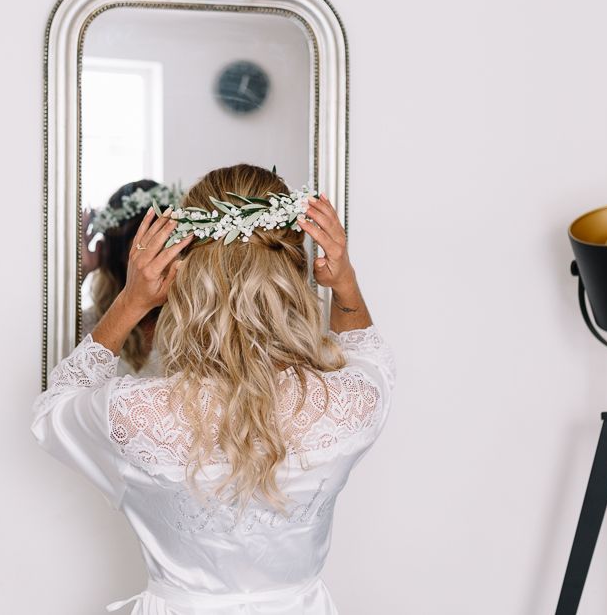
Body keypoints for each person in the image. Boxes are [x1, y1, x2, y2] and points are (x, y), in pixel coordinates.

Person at [30, 163, 396, 614]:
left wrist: (131, 300)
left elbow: (53, 413)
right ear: (293, 270)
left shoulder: (136, 413)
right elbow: (368, 354)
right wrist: (345, 282)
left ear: (187, 270)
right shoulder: (350, 406)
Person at [81, 179, 183, 376]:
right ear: (119, 254)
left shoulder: (193, 320)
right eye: (145, 246)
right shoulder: (89, 325)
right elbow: (62, 397)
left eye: (167, 242)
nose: (161, 257)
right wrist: (82, 271)